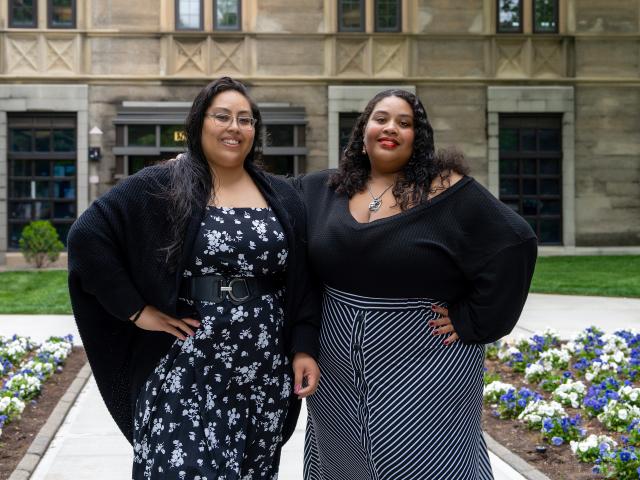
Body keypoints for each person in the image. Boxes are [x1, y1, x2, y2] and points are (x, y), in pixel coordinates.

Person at [67, 77, 320, 479]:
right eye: (222, 116)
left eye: (245, 119)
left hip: (261, 371)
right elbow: (87, 236)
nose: (234, 127)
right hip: (187, 367)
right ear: (199, 123)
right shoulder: (163, 184)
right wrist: (135, 311)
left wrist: (303, 347)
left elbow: (301, 280)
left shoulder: (281, 194)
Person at [294, 89, 537, 479]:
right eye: (381, 118)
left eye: (404, 123)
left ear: (418, 137)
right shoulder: (322, 189)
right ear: (363, 131)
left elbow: (515, 242)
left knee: (426, 463)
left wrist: (474, 321)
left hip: (426, 365)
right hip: (337, 364)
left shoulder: (446, 190)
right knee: (343, 460)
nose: (391, 128)